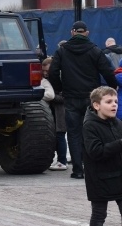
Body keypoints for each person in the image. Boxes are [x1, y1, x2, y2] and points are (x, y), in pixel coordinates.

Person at [48, 21, 117, 180]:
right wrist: (112, 88)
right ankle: (92, 167)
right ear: (87, 32)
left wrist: (59, 88)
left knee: (73, 134)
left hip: (71, 98)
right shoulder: (95, 50)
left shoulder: (62, 51)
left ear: (72, 32)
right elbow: (107, 72)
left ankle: (78, 170)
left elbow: (53, 72)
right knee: (93, 131)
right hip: (91, 98)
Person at [82, 86, 122, 226]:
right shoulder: (90, 125)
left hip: (118, 174)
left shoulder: (117, 123)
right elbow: (96, 151)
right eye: (109, 102)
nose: (114, 105)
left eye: (115, 101)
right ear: (97, 105)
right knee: (99, 215)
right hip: (99, 177)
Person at [41, 58, 67, 170]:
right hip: (53, 111)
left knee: (60, 135)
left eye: (47, 70)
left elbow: (64, 97)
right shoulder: (50, 79)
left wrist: (51, 97)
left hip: (60, 111)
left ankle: (62, 161)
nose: (45, 73)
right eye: (44, 71)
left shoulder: (61, 78)